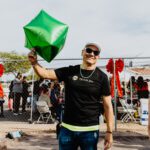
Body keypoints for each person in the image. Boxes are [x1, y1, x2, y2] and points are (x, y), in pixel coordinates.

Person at [28, 43, 114, 150]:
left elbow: (108, 106)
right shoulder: (70, 71)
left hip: (90, 131)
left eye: (95, 52)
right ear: (82, 52)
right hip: (67, 129)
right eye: (89, 50)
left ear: (98, 57)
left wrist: (109, 131)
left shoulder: (102, 77)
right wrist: (34, 62)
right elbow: (45, 74)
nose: (92, 54)